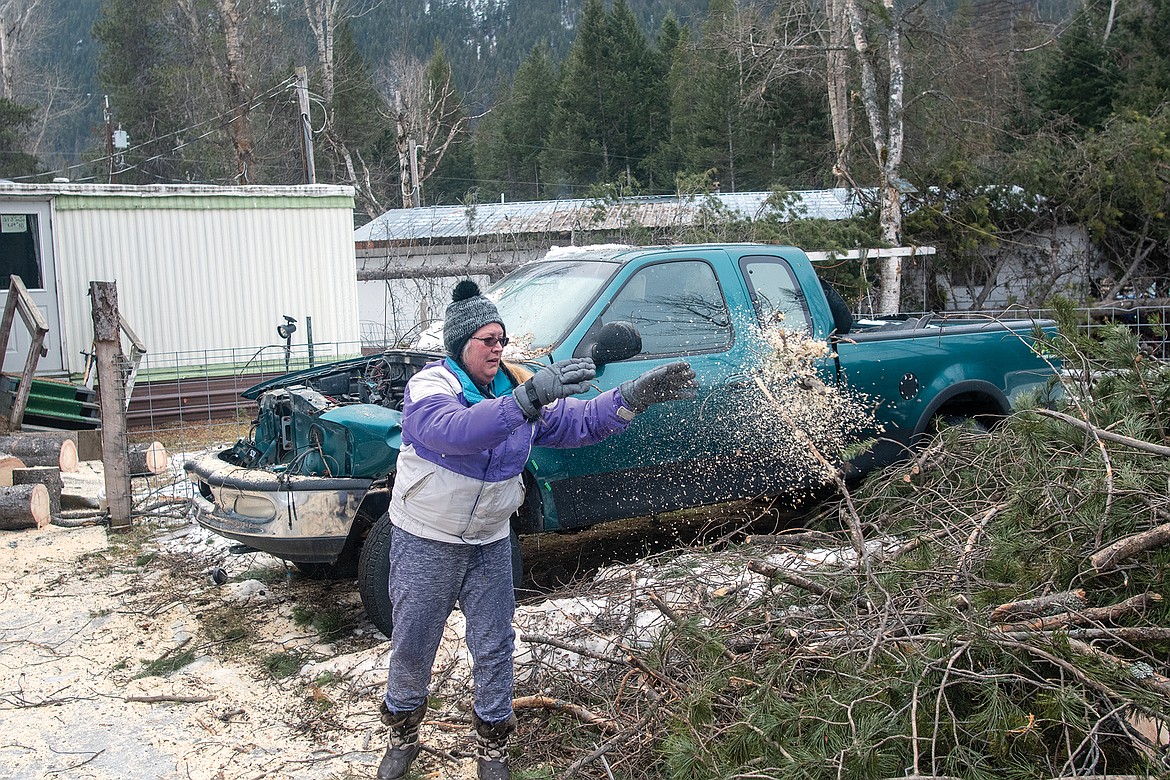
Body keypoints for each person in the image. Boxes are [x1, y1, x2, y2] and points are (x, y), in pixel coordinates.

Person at [378, 280, 696, 780]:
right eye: (487, 339)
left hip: (489, 539)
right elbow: (453, 432)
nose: (497, 348)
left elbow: (578, 421)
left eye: (501, 339)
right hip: (426, 536)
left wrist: (632, 398)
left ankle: (493, 748)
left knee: (495, 643)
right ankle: (402, 733)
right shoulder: (431, 385)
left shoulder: (515, 385)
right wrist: (526, 399)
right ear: (461, 343)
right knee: (415, 639)